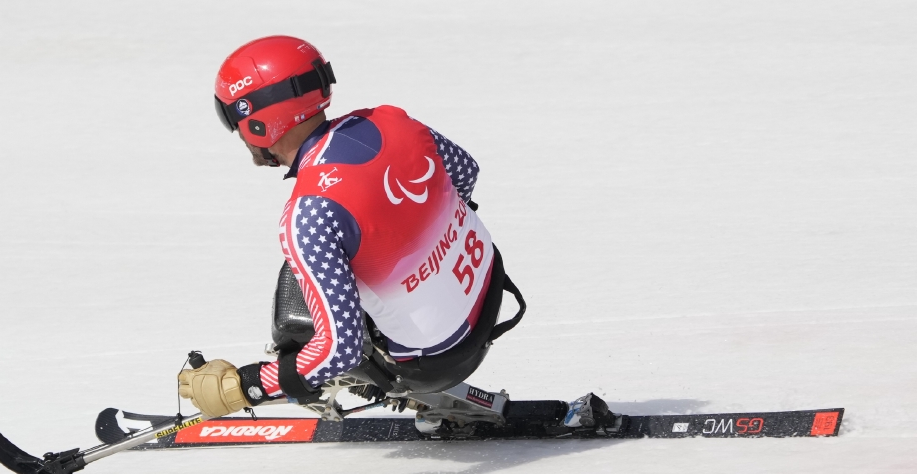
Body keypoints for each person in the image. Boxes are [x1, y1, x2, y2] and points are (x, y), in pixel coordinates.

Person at [178, 35, 611, 431]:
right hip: (490, 291)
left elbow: (339, 350)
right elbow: (465, 173)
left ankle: (405, 385)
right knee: (354, 247)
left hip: (439, 359)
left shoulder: (308, 216)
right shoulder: (390, 121)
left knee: (296, 296)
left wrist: (246, 384)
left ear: (255, 121)